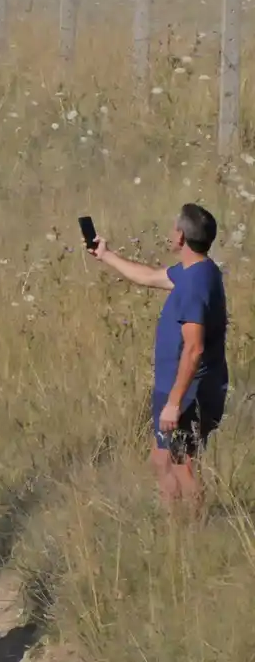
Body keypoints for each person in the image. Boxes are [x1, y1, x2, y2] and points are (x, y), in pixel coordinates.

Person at [89, 204, 229, 504]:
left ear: (180, 237)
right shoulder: (199, 271)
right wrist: (107, 255)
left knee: (183, 466)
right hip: (182, 387)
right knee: (163, 461)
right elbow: (151, 277)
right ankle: (173, 529)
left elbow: (194, 349)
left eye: (173, 228)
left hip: (188, 392)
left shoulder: (194, 286)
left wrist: (174, 404)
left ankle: (190, 534)